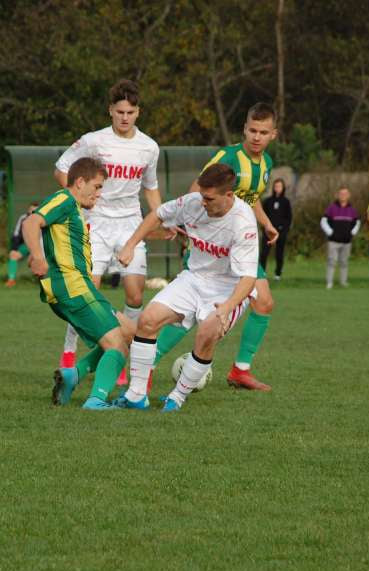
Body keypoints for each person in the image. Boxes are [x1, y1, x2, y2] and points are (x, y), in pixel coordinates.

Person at [152, 102, 279, 392]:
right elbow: (200, 190)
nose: (256, 137)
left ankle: (240, 371)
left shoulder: (266, 164)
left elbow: (250, 197)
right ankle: (149, 361)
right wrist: (191, 229)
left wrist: (267, 222)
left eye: (263, 132)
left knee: (264, 302)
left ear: (273, 134)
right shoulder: (229, 156)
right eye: (252, 130)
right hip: (211, 243)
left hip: (239, 243)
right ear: (244, 129)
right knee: (189, 310)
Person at [114, 163, 259, 412]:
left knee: (207, 334)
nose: (203, 202)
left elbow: (248, 278)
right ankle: (136, 395)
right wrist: (130, 245)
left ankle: (177, 397)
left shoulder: (243, 222)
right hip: (194, 278)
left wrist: (227, 307)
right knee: (148, 320)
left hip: (228, 288)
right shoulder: (193, 202)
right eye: (202, 195)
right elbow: (158, 214)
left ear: (228, 195)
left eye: (209, 198)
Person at [53, 79, 161, 374]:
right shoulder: (94, 141)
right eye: (120, 111)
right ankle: (69, 354)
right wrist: (81, 200)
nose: (125, 117)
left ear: (138, 112)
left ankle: (124, 353)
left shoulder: (149, 147)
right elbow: (61, 168)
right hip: (96, 223)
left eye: (131, 112)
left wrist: (161, 216)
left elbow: (150, 188)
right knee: (87, 292)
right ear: (110, 110)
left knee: (135, 294)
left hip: (130, 224)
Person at [22, 157, 135, 410]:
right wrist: (38, 257)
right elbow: (32, 222)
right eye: (96, 187)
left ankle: (73, 375)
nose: (99, 194)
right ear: (80, 182)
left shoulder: (73, 208)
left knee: (129, 332)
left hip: (76, 287)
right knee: (116, 343)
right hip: (72, 287)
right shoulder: (64, 199)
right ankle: (96, 400)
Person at [320, 187, 360, 288]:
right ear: (337, 195)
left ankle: (343, 282)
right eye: (341, 194)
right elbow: (323, 222)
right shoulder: (331, 208)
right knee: (331, 261)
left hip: (347, 241)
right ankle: (329, 282)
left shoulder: (352, 210)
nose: (343, 196)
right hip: (333, 241)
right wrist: (331, 233)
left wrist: (352, 233)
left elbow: (357, 223)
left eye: (345, 194)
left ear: (348, 195)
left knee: (344, 262)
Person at [260, 178, 292, 280]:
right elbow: (262, 215)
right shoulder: (268, 201)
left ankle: (277, 274)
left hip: (281, 232)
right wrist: (264, 228)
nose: (277, 188)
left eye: (279, 186)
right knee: (264, 253)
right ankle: (262, 273)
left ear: (283, 188)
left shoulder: (286, 202)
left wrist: (284, 229)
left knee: (279, 253)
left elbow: (289, 218)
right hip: (268, 232)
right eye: (276, 186)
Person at [4, 201, 38, 287]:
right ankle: (11, 280)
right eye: (31, 210)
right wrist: (14, 249)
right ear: (28, 210)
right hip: (26, 246)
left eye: (35, 211)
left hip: (40, 246)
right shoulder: (23, 218)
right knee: (13, 255)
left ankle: (44, 281)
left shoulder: (43, 219)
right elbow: (16, 235)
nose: (32, 213)